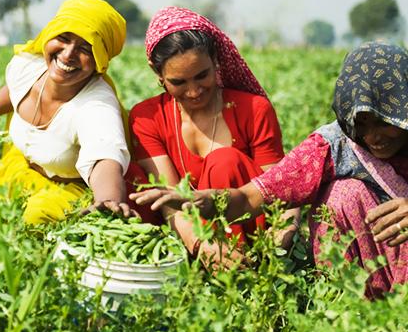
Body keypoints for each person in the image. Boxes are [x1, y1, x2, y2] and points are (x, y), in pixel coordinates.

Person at [141, 41, 408, 297]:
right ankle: (357, 307)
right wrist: (202, 201)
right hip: (380, 265)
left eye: (384, 122)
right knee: (341, 195)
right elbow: (252, 196)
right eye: (360, 124)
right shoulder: (334, 145)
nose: (373, 138)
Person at [0, 0, 138, 225]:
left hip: (66, 191)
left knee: (35, 218)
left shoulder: (96, 106)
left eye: (85, 48)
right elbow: (15, 90)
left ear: (99, 61)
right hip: (20, 172)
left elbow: (105, 157)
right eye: (63, 38)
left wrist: (107, 200)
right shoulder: (30, 65)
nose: (68, 54)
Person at [128, 6, 298, 268]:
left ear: (215, 61)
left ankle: (246, 268)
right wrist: (201, 245)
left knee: (225, 161)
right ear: (157, 73)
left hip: (253, 228)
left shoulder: (253, 109)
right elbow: (169, 201)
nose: (194, 91)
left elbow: (279, 189)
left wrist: (282, 237)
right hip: (191, 231)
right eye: (179, 82)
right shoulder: (147, 117)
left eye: (202, 76)